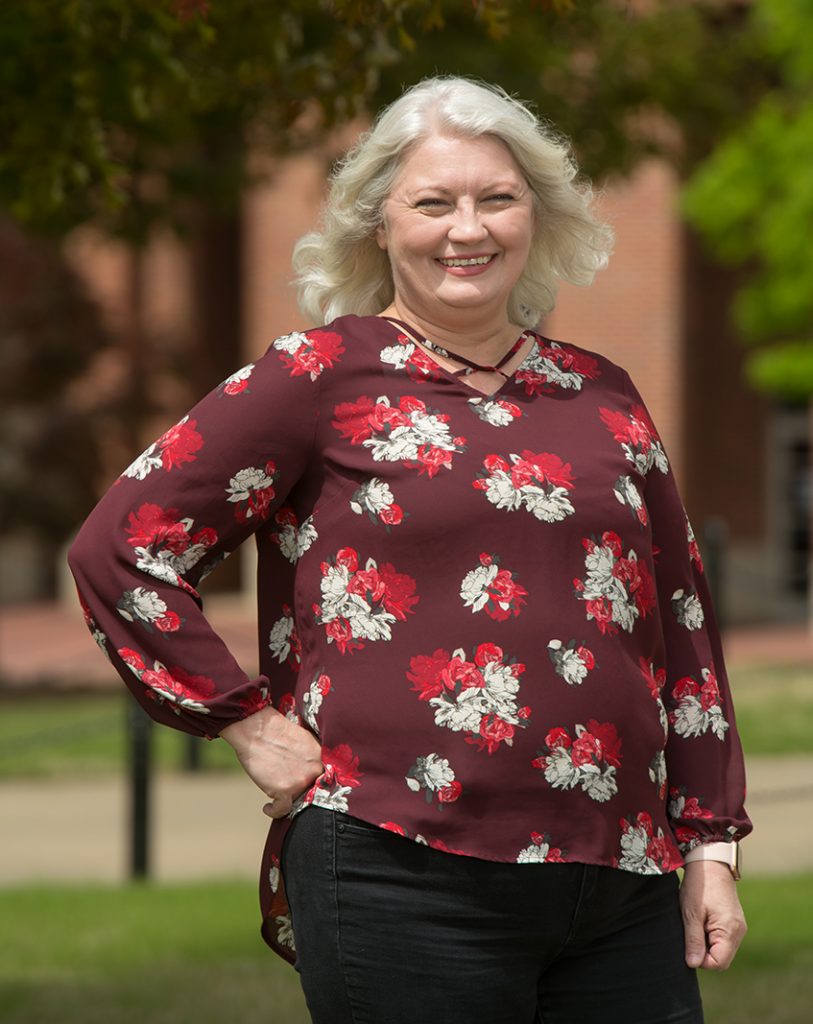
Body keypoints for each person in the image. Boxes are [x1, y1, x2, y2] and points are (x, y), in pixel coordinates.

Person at [69, 76, 751, 1023]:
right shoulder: (315, 375)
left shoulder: (601, 393)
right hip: (401, 868)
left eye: (495, 199)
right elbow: (122, 546)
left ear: (536, 218)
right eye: (432, 202)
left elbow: (679, 623)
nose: (465, 229)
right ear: (377, 225)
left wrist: (709, 844)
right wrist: (246, 724)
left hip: (620, 880)